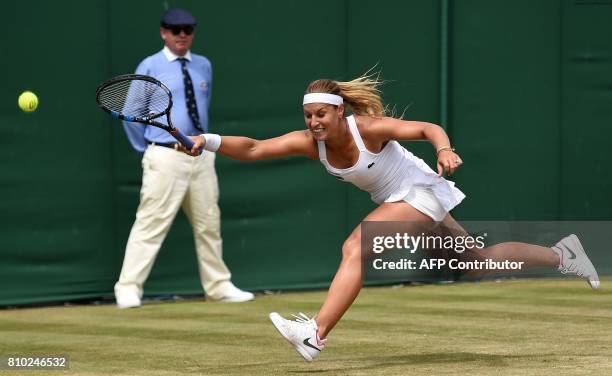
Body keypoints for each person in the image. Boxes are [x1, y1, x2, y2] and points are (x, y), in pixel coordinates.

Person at [183, 74, 600, 361]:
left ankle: (315, 333)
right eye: (308, 116)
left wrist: (443, 149)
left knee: (354, 247)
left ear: (338, 110)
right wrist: (207, 140)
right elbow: (254, 148)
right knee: (477, 262)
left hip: (420, 191)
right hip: (402, 198)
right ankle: (562, 256)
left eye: (321, 115)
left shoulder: (368, 127)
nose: (313, 122)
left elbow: (427, 128)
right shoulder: (312, 142)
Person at [114, 8, 254, 309]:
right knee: (150, 223)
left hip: (202, 156)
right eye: (175, 29)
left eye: (187, 29)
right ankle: (127, 288)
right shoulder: (149, 66)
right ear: (163, 32)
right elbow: (131, 115)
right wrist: (152, 148)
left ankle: (218, 286)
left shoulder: (204, 65)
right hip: (164, 157)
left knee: (209, 224)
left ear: (193, 33)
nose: (181, 35)